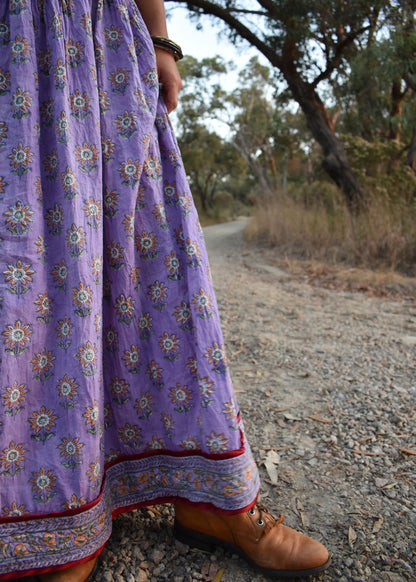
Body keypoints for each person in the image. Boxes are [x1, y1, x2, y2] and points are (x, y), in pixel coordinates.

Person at [0, 1, 330, 580]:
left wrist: (161, 43)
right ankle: (58, 518)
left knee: (158, 259)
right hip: (20, 44)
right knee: (45, 270)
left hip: (108, 34)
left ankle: (210, 500)